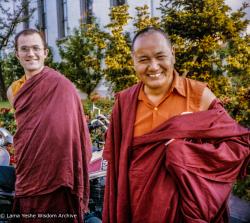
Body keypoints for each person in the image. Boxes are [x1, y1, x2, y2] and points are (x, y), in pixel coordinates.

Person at [102, 27, 250, 223]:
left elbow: (239, 145)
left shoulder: (199, 95)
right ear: (134, 61)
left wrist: (187, 151)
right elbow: (116, 169)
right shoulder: (124, 103)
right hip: (138, 208)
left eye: (160, 56)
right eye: (144, 59)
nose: (153, 67)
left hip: (186, 211)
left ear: (173, 54)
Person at [7, 29, 92, 222]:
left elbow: (75, 129)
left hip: (59, 172)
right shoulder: (14, 90)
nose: (31, 54)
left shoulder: (63, 86)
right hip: (29, 166)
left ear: (45, 52)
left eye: (36, 48)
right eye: (25, 49)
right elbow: (26, 128)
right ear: (17, 54)